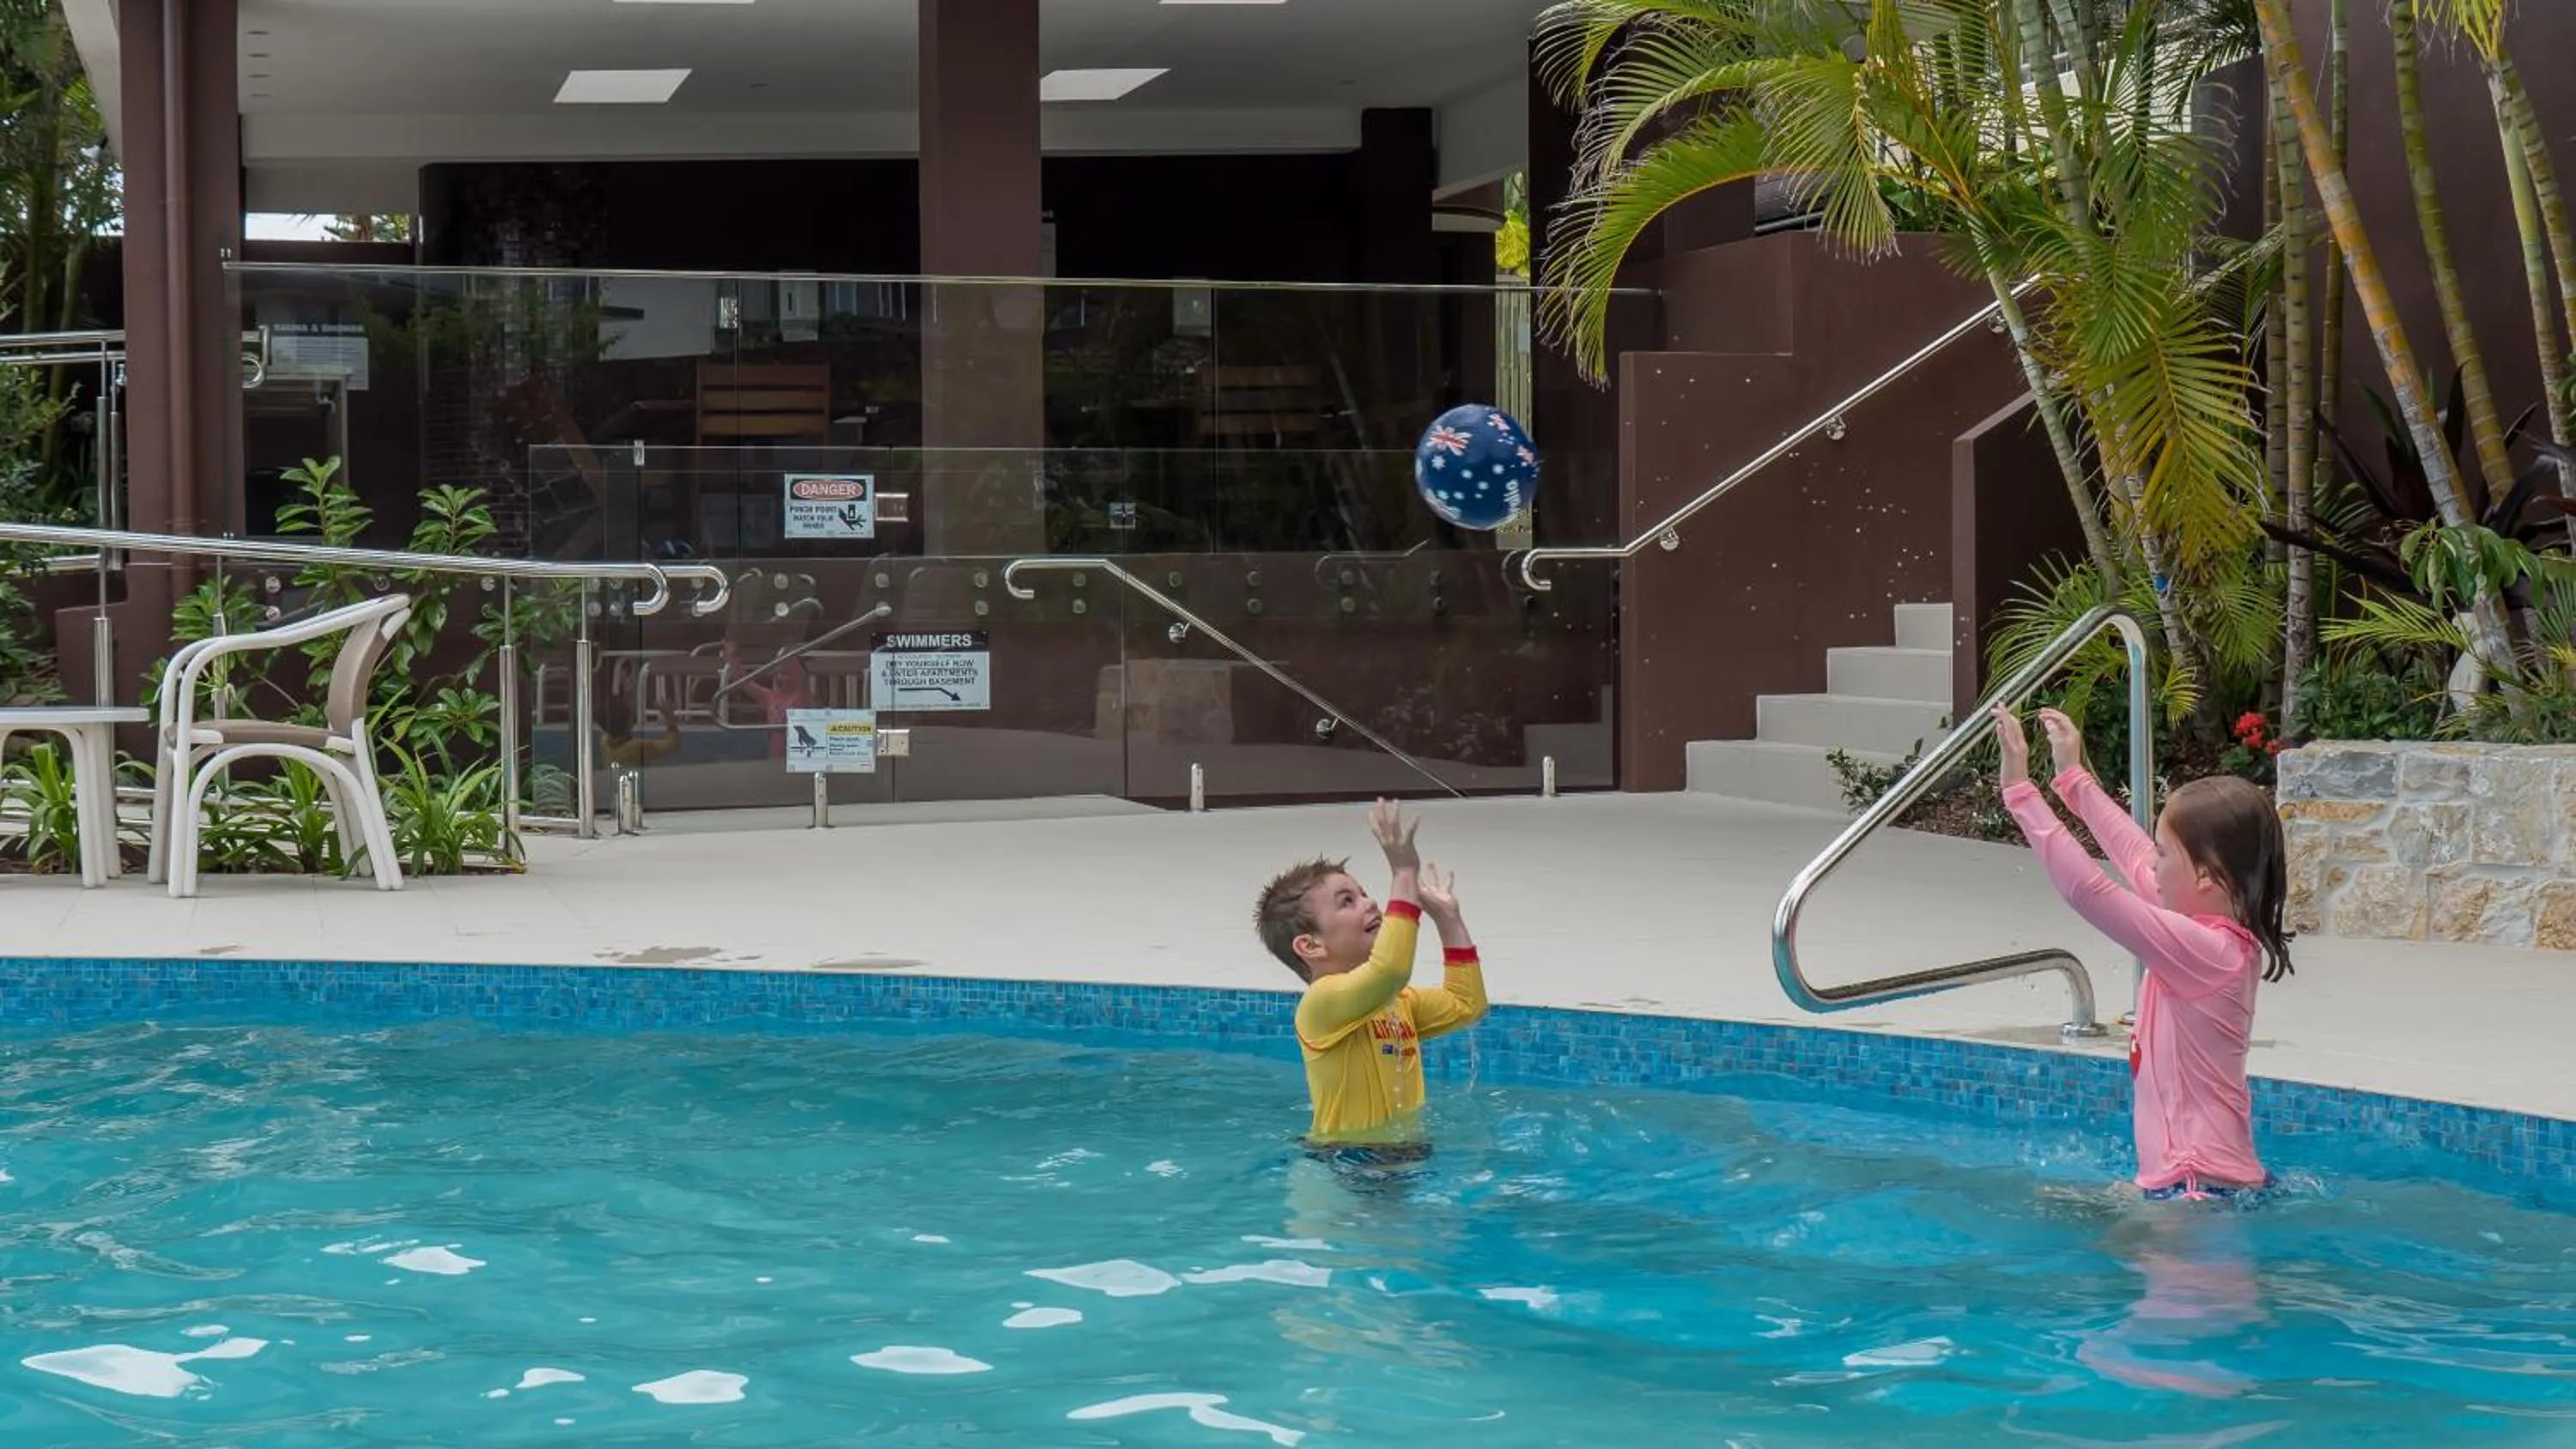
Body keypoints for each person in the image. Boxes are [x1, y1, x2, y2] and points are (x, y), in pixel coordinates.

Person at [1992, 705, 2293, 1202]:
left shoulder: (2204, 952)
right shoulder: (2209, 936)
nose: (2150, 862)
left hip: (2194, 1190)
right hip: (2210, 1182)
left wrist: (2020, 794)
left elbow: (2089, 891)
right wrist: (2072, 778)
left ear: (2203, 877)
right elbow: (2132, 858)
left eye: (2163, 852)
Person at [1253, 799, 1486, 1153]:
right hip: (1342, 1164)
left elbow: (1468, 1005)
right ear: (1310, 946)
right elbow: (1390, 969)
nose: (1370, 902)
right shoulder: (1321, 1003)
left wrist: (1448, 919)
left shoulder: (1397, 1002)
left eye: (1363, 893)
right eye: (1347, 901)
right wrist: (1404, 873)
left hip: (1401, 1159)